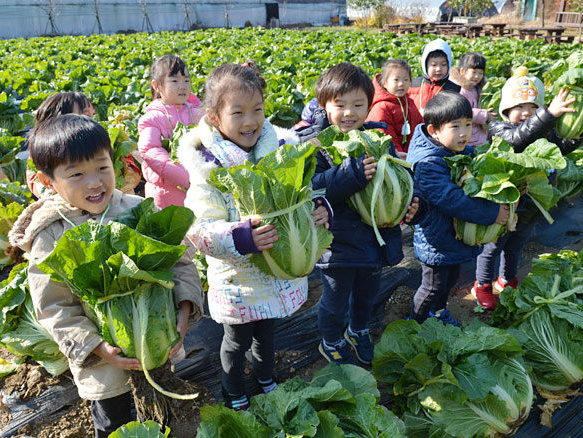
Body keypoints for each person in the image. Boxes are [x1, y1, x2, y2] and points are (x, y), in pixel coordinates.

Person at [8, 114, 203, 438]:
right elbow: (53, 307)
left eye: (102, 167)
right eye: (76, 175)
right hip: (103, 368)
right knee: (114, 425)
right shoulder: (50, 236)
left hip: (158, 348)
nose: (94, 182)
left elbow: (181, 263)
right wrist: (97, 347)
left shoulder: (140, 208)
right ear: (48, 182)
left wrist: (183, 310)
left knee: (165, 415)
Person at [177, 61, 331, 411]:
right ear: (215, 118)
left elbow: (303, 194)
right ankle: (233, 390)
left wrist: (320, 211)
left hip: (274, 277)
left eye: (258, 110)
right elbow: (199, 230)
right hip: (238, 281)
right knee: (235, 341)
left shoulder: (280, 148)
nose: (250, 121)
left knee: (267, 335)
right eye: (238, 113)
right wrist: (241, 238)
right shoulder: (208, 169)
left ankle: (265, 377)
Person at [295, 62, 421, 365]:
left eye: (358, 104)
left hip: (375, 243)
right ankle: (331, 339)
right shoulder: (314, 146)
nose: (349, 113)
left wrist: (414, 202)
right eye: (340, 105)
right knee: (335, 301)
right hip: (337, 246)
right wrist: (350, 173)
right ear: (325, 106)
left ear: (369, 105)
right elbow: (312, 189)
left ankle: (359, 331)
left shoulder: (378, 139)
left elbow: (399, 180)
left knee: (366, 296)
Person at [471, 67, 583, 310]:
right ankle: (482, 284)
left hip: (532, 204)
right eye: (519, 107)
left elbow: (564, 147)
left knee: (516, 244)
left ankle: (507, 280)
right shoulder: (499, 129)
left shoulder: (544, 134)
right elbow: (518, 139)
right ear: (506, 110)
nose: (526, 113)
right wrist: (547, 114)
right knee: (493, 246)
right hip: (505, 204)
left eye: (533, 107)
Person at [406, 91, 509, 326]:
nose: (464, 133)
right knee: (432, 286)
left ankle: (439, 313)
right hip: (437, 240)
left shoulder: (459, 151)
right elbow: (452, 200)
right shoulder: (428, 164)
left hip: (452, 239)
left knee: (450, 279)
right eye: (456, 127)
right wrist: (492, 213)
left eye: (468, 125)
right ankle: (415, 324)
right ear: (433, 130)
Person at [25, 92, 141, 199]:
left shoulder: (107, 142)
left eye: (93, 116)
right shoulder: (41, 153)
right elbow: (37, 186)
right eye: (86, 116)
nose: (93, 122)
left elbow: (132, 174)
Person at [138, 55, 203, 208]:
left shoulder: (198, 113)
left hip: (199, 189)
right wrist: (187, 177)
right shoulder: (152, 118)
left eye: (186, 80)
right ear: (157, 86)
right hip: (166, 194)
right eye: (174, 81)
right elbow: (151, 151)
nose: (183, 86)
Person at [366, 59, 422, 159]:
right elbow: (385, 137)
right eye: (396, 80)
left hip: (411, 155)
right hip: (393, 158)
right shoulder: (382, 107)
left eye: (406, 80)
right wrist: (398, 154)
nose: (401, 84)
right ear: (385, 83)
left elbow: (419, 128)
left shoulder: (409, 102)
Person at [451, 52, 497, 146]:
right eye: (474, 72)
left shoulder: (477, 88)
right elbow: (460, 113)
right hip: (468, 138)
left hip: (478, 134)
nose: (477, 76)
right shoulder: (459, 90)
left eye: (480, 73)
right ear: (462, 71)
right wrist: (483, 114)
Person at [409, 38, 461, 116]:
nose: (438, 69)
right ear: (425, 65)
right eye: (434, 65)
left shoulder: (455, 89)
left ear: (449, 64)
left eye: (443, 65)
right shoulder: (412, 84)